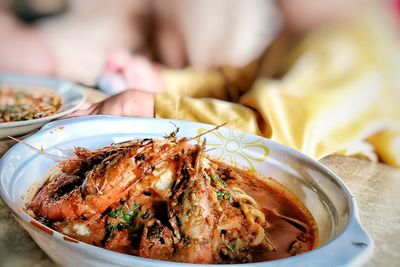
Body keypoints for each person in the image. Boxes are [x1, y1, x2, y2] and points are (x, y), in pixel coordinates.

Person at [70, 1, 400, 167]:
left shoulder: (353, 48)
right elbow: (236, 82)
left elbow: (270, 136)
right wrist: (162, 81)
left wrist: (145, 106)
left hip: (372, 190)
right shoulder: (304, 30)